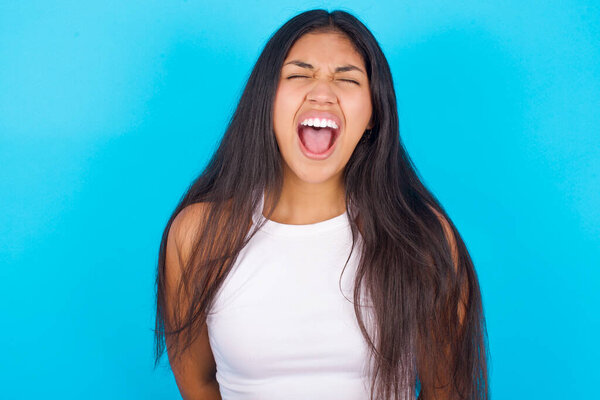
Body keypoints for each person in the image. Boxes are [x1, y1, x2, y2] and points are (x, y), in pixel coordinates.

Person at [154, 9, 489, 400]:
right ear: (266, 102)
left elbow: (446, 391)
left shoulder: (423, 238)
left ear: (372, 115)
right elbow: (197, 383)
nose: (322, 92)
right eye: (299, 74)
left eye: (347, 79)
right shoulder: (197, 234)